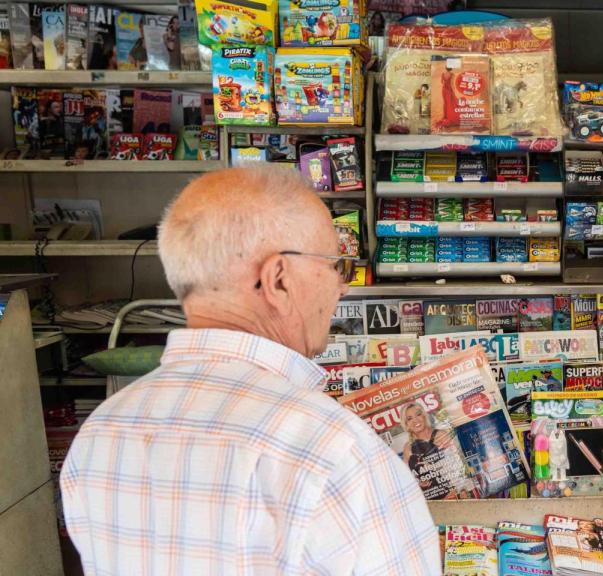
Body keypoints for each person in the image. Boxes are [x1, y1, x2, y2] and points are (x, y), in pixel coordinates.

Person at [59, 166, 439, 575]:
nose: (341, 287)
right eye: (336, 266)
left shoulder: (102, 431)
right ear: (277, 279)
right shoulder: (333, 450)